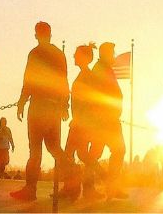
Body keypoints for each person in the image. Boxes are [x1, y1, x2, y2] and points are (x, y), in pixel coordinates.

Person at [10, 22, 69, 201]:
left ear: (36, 35)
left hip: (39, 106)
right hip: (53, 108)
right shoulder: (59, 55)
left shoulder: (35, 53)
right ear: (50, 34)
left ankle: (30, 189)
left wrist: (21, 102)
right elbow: (64, 82)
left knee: (35, 149)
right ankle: (74, 179)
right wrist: (64, 105)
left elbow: (29, 80)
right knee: (55, 148)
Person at [62, 44, 105, 199]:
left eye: (76, 54)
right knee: (79, 154)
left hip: (82, 123)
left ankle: (74, 188)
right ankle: (86, 188)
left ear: (85, 58)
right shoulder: (85, 76)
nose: (73, 56)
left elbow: (88, 102)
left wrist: (78, 120)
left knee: (70, 154)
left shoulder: (88, 77)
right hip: (82, 122)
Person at [92, 43, 126, 186]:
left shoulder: (105, 69)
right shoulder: (100, 69)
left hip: (108, 118)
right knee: (118, 150)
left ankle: (105, 185)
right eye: (112, 53)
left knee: (94, 154)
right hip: (105, 119)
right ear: (105, 54)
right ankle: (108, 183)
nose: (114, 55)